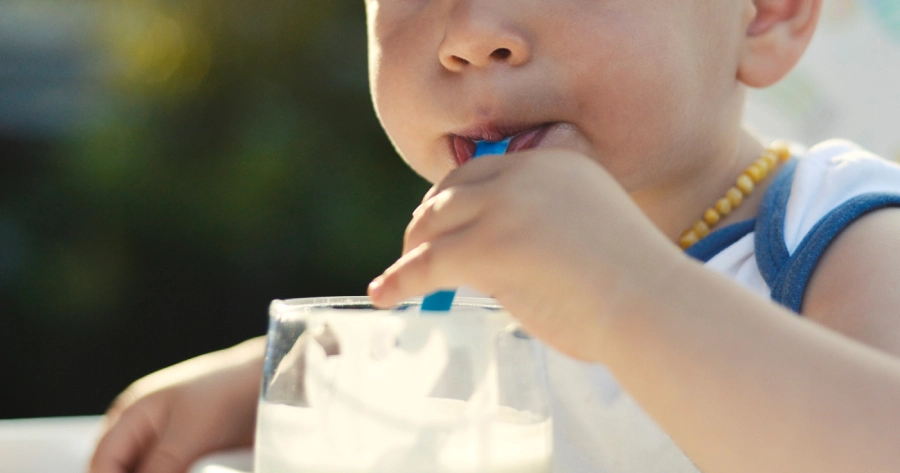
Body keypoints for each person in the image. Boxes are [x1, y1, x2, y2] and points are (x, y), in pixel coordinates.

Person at [90, 0, 900, 472]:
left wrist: (625, 291)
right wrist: (251, 387)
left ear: (763, 13)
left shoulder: (837, 232)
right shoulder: (483, 257)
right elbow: (403, 375)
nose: (471, 32)